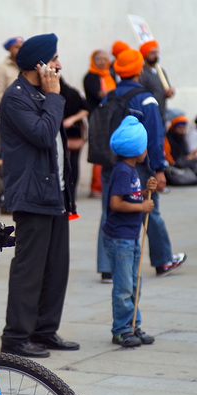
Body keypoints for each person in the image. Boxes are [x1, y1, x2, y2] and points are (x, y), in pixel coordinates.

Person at [0, 33, 80, 358]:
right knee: (29, 269)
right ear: (40, 64)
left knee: (56, 267)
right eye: (54, 58)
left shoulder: (41, 93)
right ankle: (16, 337)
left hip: (55, 194)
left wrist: (54, 94)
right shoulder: (16, 97)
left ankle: (45, 331)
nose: (59, 64)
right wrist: (54, 96)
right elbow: (44, 135)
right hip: (32, 195)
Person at [97, 48, 185, 280]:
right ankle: (163, 260)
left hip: (111, 164)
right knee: (150, 210)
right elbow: (155, 137)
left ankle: (107, 268)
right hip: (141, 167)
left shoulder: (109, 96)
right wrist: (159, 169)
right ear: (139, 70)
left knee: (109, 210)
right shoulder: (145, 98)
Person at [103, 116, 157, 347]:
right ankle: (122, 329)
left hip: (131, 237)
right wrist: (142, 206)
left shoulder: (131, 171)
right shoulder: (123, 171)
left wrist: (145, 192)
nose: (146, 149)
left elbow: (130, 196)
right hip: (120, 239)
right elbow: (116, 204)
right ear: (137, 148)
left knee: (135, 283)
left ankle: (134, 324)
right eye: (144, 145)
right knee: (124, 286)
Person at [84, 49, 116, 198]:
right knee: (99, 151)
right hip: (98, 117)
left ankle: (108, 184)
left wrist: (110, 91)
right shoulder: (90, 76)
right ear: (93, 60)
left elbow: (109, 93)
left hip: (110, 116)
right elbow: (99, 94)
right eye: (99, 59)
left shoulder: (110, 75)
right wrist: (114, 91)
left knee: (110, 150)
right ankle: (97, 186)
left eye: (105, 58)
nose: (103, 62)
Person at [60, 77, 89, 195]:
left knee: (72, 162)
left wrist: (71, 120)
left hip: (71, 133)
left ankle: (70, 192)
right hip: (66, 133)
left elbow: (86, 109)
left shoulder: (71, 93)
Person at [139, 39, 175, 122]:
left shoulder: (161, 71)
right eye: (152, 53)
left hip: (162, 114)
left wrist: (170, 92)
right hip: (149, 115)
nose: (155, 56)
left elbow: (167, 88)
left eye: (156, 53)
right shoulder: (142, 72)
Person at [0, 36, 23, 103]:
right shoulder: (1, 68)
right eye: (16, 47)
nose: (20, 50)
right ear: (9, 49)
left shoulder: (26, 67)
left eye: (22, 48)